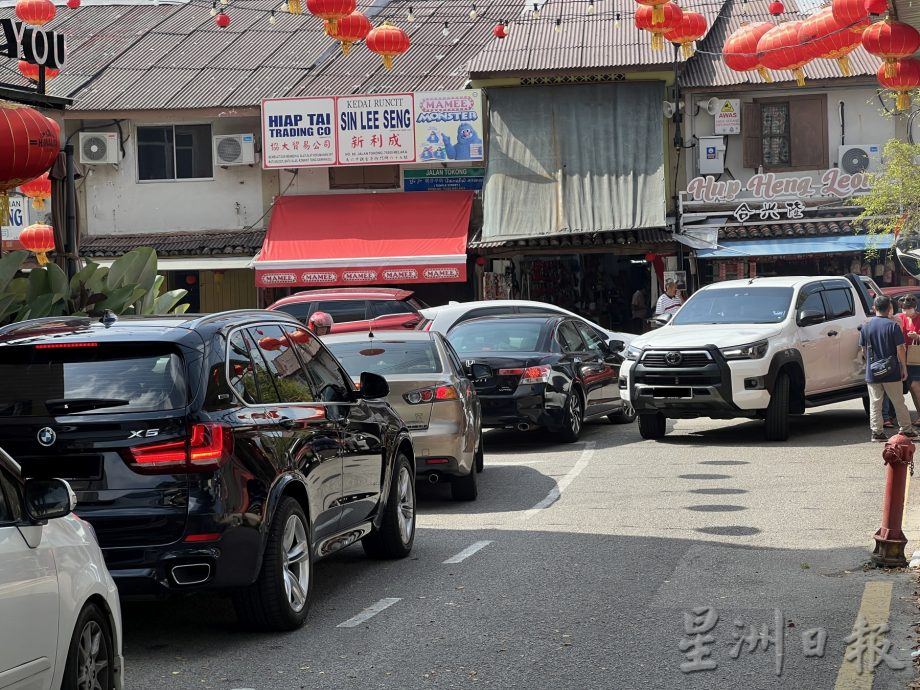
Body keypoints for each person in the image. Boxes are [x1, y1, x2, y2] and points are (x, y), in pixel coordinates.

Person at [860, 295, 917, 442]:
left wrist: (869, 364)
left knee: (875, 402)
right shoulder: (893, 326)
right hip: (892, 370)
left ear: (874, 308)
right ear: (889, 308)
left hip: (872, 371)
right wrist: (903, 367)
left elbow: (863, 349)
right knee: (898, 401)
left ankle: (877, 432)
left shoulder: (866, 326)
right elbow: (900, 349)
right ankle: (906, 429)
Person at [897, 294, 920, 420]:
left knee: (916, 386)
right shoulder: (901, 318)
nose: (905, 312)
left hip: (917, 357)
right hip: (905, 357)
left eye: (908, 309)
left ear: (915, 307)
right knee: (912, 388)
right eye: (903, 309)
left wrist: (917, 337)